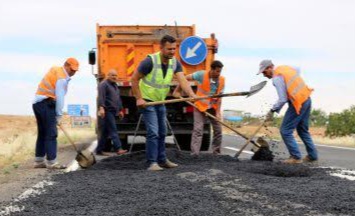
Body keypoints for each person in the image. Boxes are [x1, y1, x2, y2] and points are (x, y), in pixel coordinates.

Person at [131, 35, 197, 171]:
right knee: (153, 132)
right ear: (161, 48)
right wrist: (139, 98)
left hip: (160, 101)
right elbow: (134, 79)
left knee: (163, 131)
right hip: (148, 101)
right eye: (169, 49)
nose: (172, 51)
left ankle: (162, 159)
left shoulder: (174, 63)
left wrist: (190, 94)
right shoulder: (149, 61)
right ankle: (152, 163)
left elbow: (182, 80)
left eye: (174, 49)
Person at [258, 59, 318, 164]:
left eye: (264, 72)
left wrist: (272, 111)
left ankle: (295, 157)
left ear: (270, 67)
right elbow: (298, 70)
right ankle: (312, 156)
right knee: (303, 130)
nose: (264, 75)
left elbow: (282, 99)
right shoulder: (286, 68)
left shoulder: (276, 78)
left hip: (298, 103)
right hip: (306, 98)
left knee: (285, 130)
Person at [33, 58, 79, 169]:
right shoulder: (62, 78)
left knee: (43, 133)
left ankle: (39, 161)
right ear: (66, 66)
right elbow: (60, 98)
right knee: (51, 134)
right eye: (72, 69)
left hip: (37, 104)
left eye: (75, 71)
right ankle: (52, 162)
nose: (73, 72)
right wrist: (59, 115)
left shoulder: (56, 69)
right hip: (46, 104)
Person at [173, 60, 225, 156]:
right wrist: (177, 91)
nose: (219, 73)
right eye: (217, 71)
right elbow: (184, 79)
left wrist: (218, 112)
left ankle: (216, 153)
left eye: (220, 71)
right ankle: (195, 153)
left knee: (218, 130)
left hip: (213, 107)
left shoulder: (221, 80)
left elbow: (219, 98)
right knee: (198, 129)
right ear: (212, 70)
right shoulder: (201, 75)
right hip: (199, 106)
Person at [96, 69, 127, 156]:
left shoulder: (115, 85)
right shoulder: (103, 84)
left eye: (116, 75)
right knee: (113, 130)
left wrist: (120, 110)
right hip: (107, 111)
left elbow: (118, 98)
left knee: (105, 132)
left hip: (113, 111)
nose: (114, 77)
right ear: (108, 75)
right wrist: (101, 108)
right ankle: (118, 148)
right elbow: (101, 97)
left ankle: (99, 150)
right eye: (112, 75)